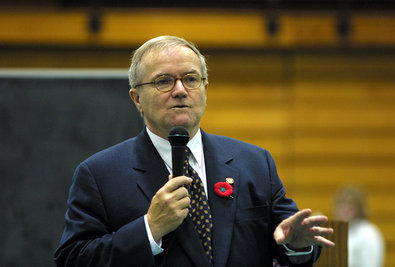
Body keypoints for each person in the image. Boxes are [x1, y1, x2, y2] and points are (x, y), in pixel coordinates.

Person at [54, 35, 334, 267]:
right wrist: (149, 229)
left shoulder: (254, 162)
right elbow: (73, 259)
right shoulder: (99, 174)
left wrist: (298, 245)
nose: (180, 90)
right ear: (136, 98)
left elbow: (290, 241)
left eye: (190, 79)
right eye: (163, 81)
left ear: (205, 89)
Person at [334, 186, 385, 267]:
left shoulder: (369, 233)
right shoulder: (336, 232)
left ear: (359, 208)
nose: (345, 209)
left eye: (350, 205)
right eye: (342, 204)